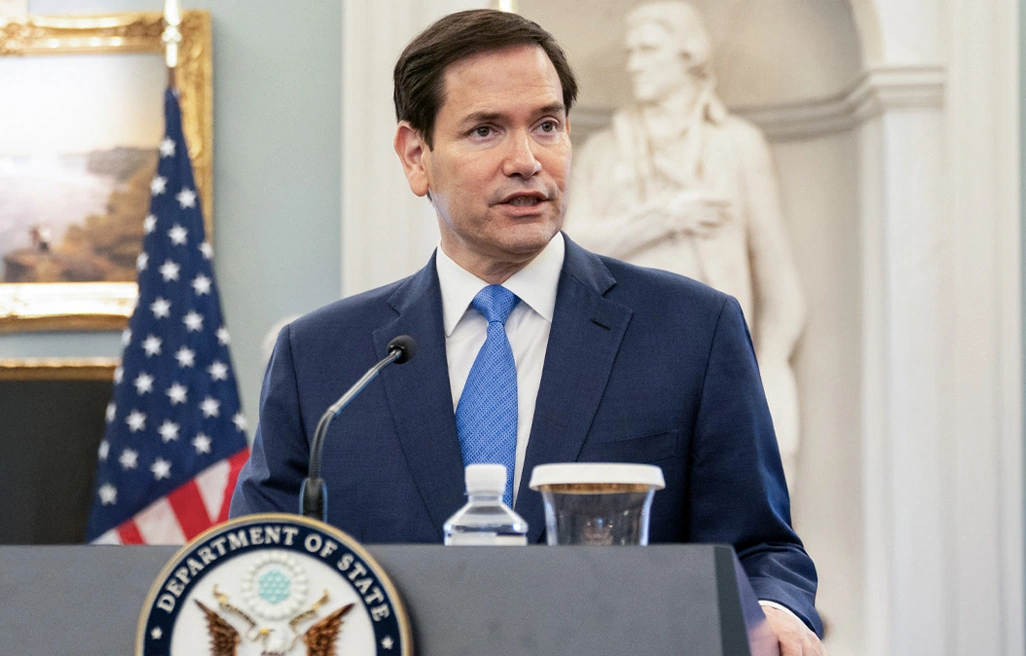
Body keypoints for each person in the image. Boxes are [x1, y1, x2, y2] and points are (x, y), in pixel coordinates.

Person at [231, 9, 823, 653]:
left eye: (547, 125)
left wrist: (774, 611)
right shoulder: (321, 359)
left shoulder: (692, 331)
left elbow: (760, 548)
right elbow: (257, 570)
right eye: (485, 130)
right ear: (416, 157)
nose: (527, 160)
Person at [566, 2, 807, 489]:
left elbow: (776, 271)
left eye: (648, 50)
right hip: (621, 362)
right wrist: (662, 217)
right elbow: (573, 249)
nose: (634, 64)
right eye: (630, 52)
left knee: (726, 500)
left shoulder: (737, 145)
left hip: (715, 361)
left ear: (689, 54)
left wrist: (771, 365)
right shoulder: (602, 151)